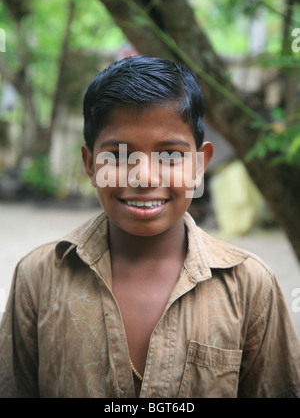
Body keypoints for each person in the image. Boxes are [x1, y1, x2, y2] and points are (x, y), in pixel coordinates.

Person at [0, 55, 299, 398]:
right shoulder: (39, 278)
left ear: (200, 164)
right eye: (119, 156)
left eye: (170, 155)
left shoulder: (248, 286)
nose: (144, 177)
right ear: (90, 164)